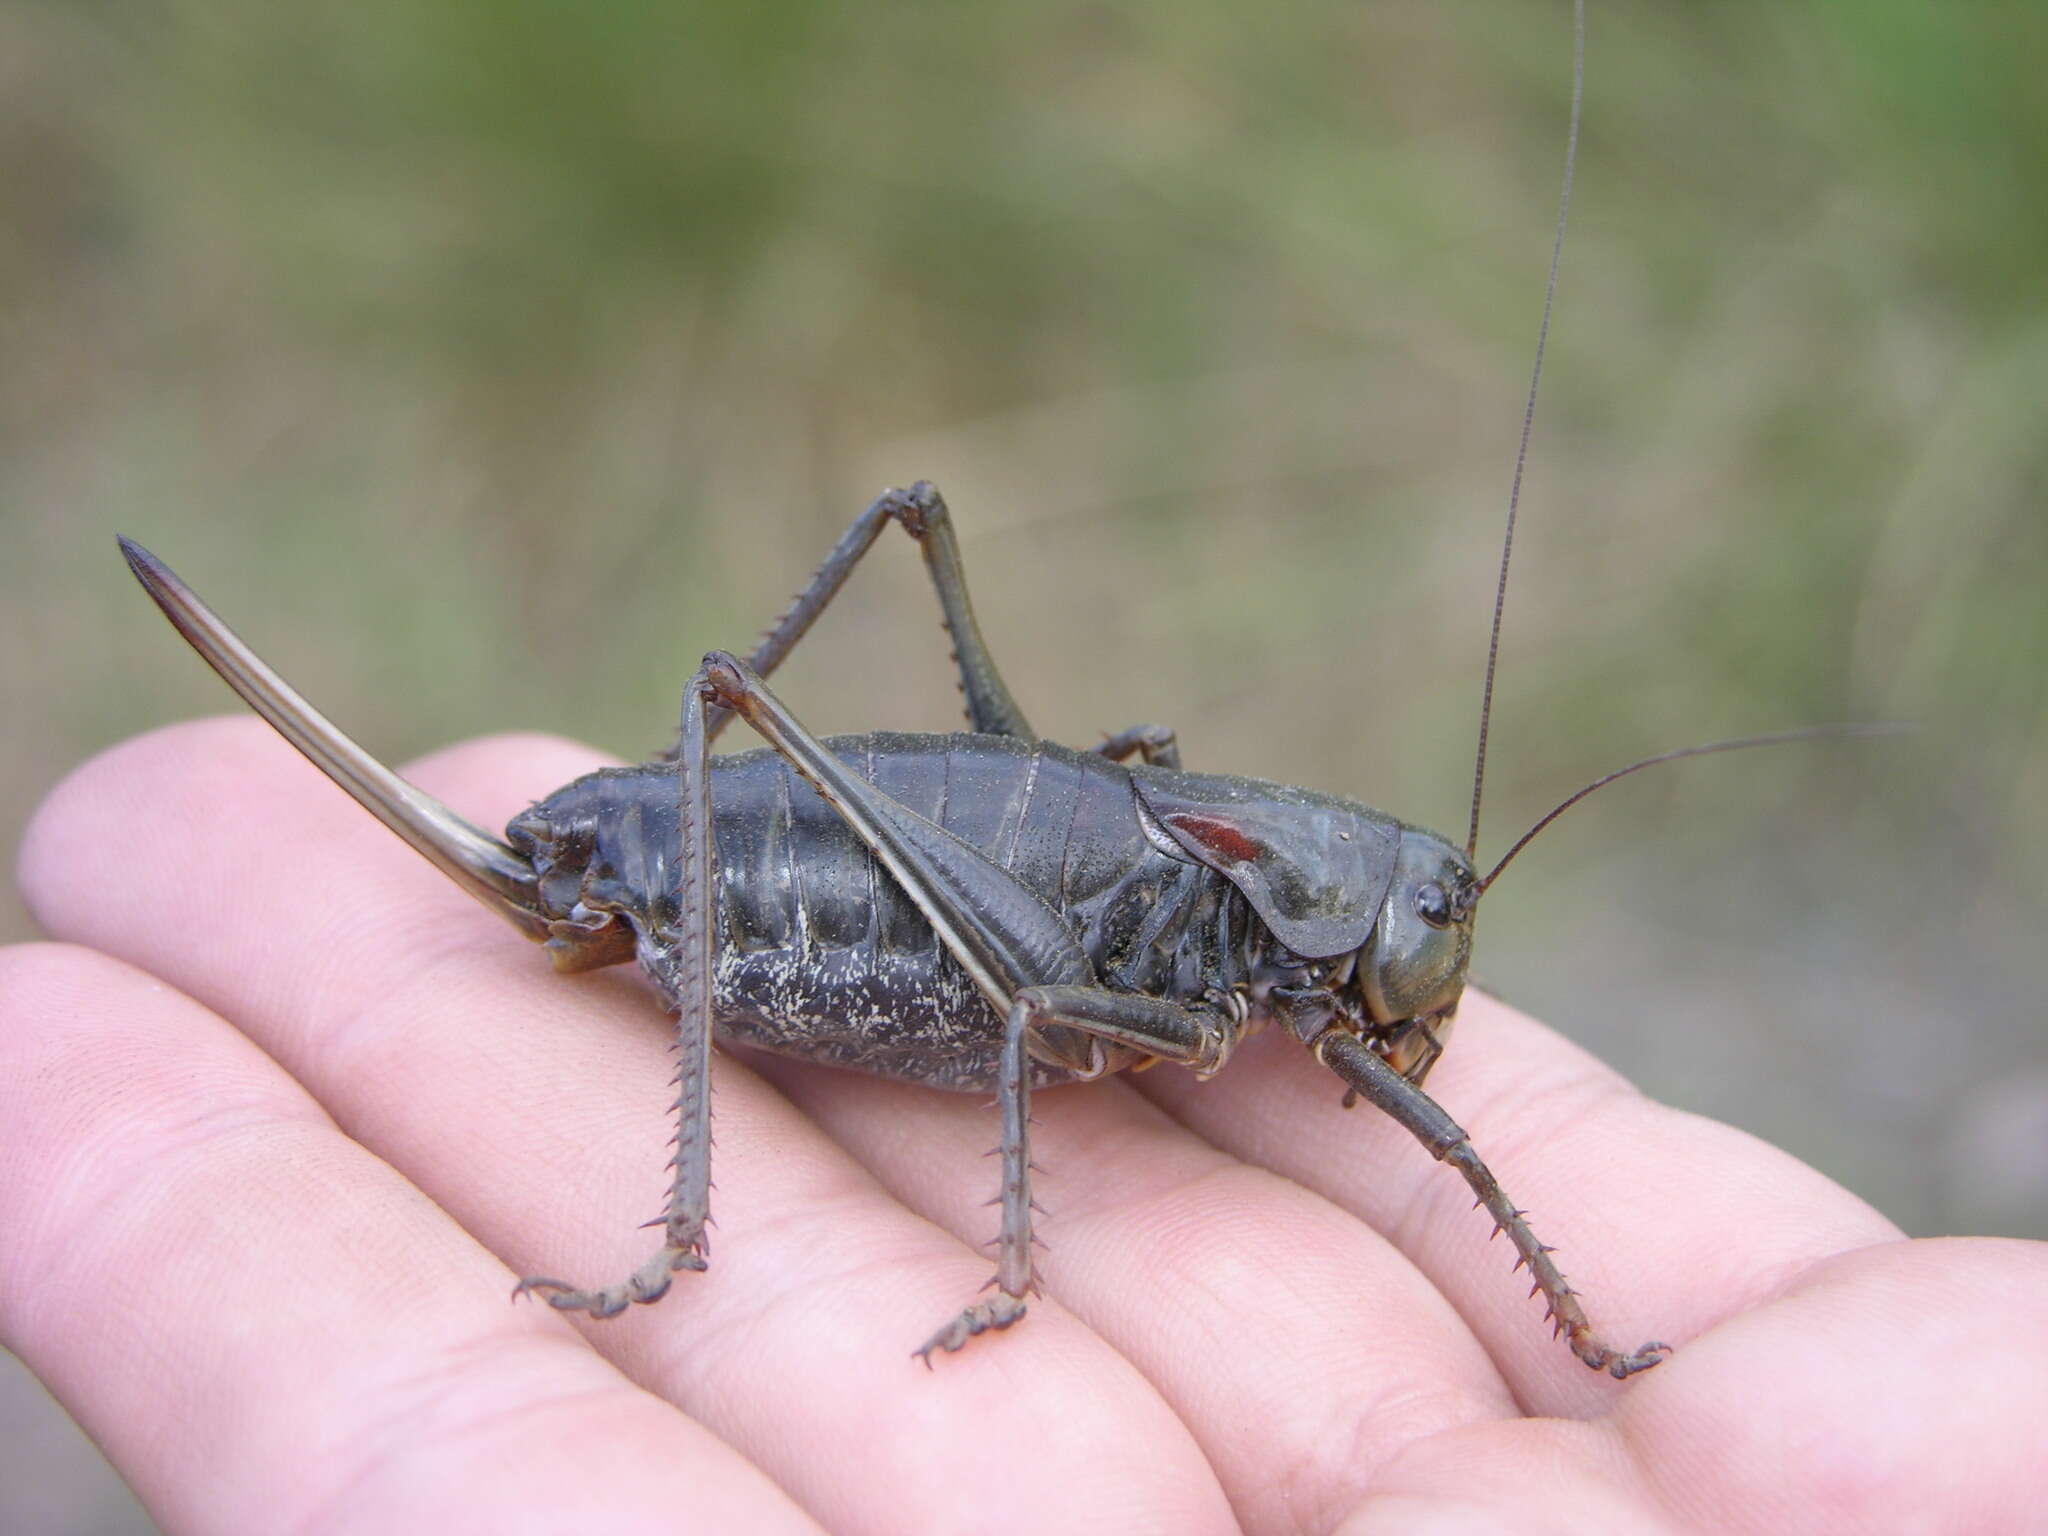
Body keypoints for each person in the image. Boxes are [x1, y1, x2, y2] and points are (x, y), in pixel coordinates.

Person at [4, 720, 2040, 1533]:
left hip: (974, 859)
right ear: (1344, 911)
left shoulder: (1283, 958)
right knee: (1049, 992)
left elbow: (1412, 1100)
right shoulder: (1204, 960)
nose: (1435, 969)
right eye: (1433, 930)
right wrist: (1009, 1269)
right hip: (824, 897)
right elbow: (1041, 1010)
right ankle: (681, 1178)